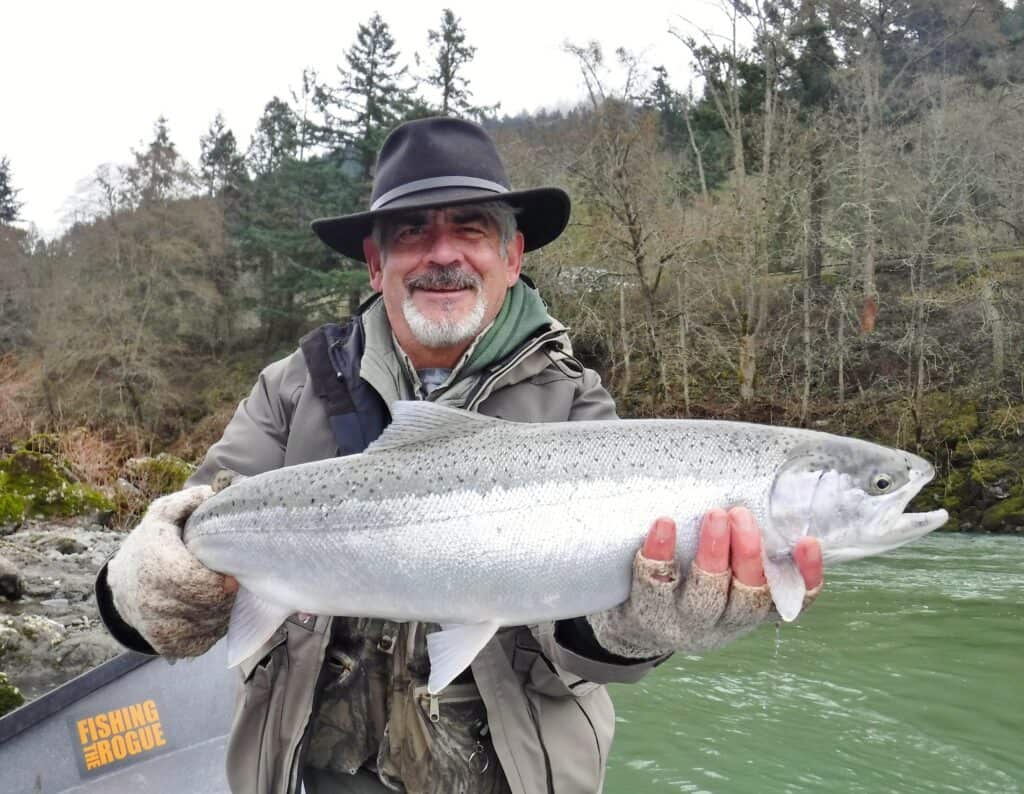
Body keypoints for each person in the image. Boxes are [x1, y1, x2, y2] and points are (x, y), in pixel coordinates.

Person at [95, 117, 823, 794]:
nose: (443, 254)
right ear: (376, 264)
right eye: (412, 232)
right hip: (309, 769)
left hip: (510, 772)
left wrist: (637, 629)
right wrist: (145, 587)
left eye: (470, 228)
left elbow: (586, 644)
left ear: (511, 256)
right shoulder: (293, 388)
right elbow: (184, 546)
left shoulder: (577, 406)